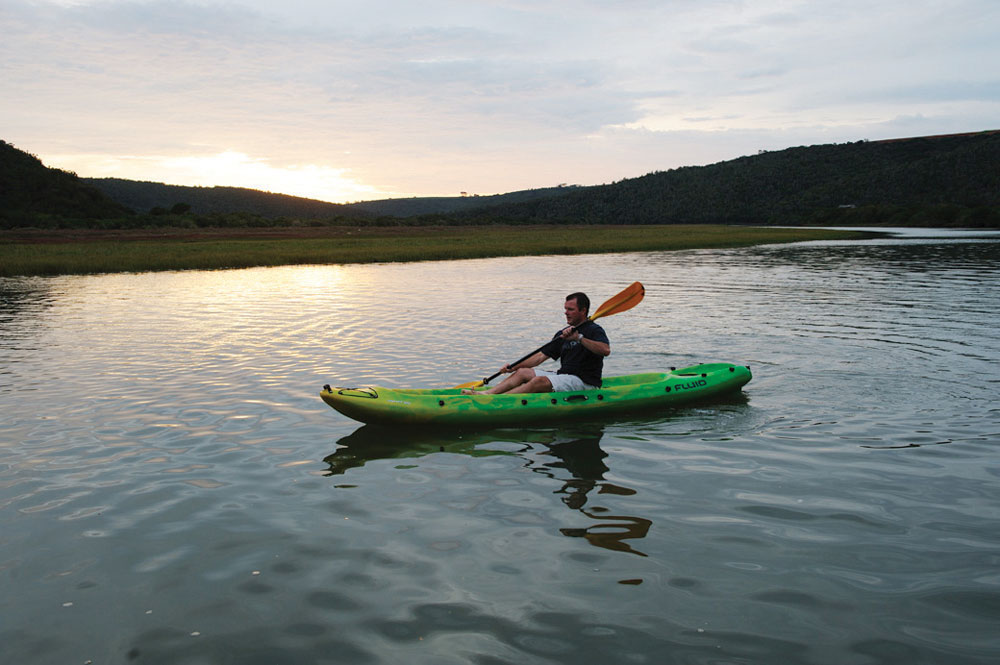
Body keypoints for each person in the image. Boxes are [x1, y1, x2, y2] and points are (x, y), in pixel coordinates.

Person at [463, 292, 610, 395]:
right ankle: (488, 393)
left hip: (585, 382)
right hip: (565, 376)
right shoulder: (563, 333)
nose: (566, 312)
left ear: (583, 310)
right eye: (565, 309)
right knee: (522, 372)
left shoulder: (594, 330)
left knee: (539, 381)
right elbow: (539, 357)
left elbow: (605, 350)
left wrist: (579, 339)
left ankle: (498, 400)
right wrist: (512, 367)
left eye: (570, 309)